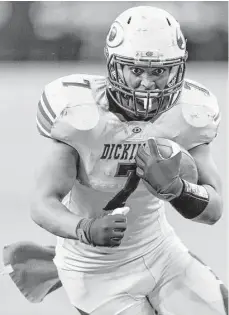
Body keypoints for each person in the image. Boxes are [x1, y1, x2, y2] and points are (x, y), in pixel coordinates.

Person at [19, 6, 227, 315]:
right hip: (93, 269)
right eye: (137, 69)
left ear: (176, 70)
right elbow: (42, 203)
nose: (147, 82)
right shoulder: (80, 113)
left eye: (158, 70)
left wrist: (179, 190)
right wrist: (85, 228)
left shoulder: (189, 114)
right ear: (116, 67)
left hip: (160, 251)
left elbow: (213, 209)